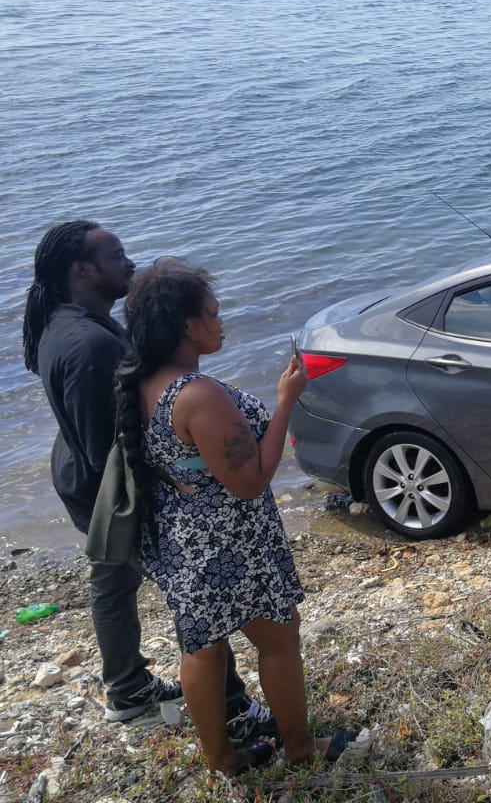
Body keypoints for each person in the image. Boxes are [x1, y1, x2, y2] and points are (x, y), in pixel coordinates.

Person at [21, 221, 272, 740]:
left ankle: (127, 687)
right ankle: (230, 708)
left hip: (79, 476)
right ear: (82, 270)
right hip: (107, 490)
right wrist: (174, 477)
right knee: (196, 593)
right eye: (117, 256)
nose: (129, 263)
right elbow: (105, 448)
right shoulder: (90, 345)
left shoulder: (68, 323)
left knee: (114, 579)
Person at [115, 259, 354, 775]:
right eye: (213, 313)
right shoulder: (198, 395)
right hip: (229, 542)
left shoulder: (142, 383)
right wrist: (286, 401)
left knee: (203, 648)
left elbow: (181, 461)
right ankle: (301, 749)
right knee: (279, 638)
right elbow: (250, 482)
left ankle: (222, 760)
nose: (221, 323)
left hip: (182, 538)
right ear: (186, 325)